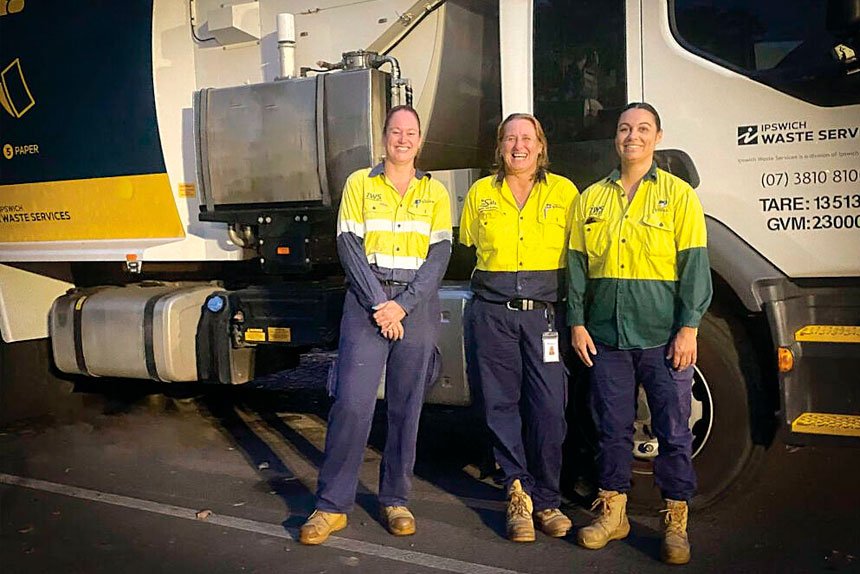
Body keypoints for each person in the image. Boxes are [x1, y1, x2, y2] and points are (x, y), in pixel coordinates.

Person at [299, 105, 452, 545]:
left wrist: (401, 306)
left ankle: (395, 499)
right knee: (351, 403)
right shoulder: (359, 184)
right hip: (368, 302)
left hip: (414, 307)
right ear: (383, 137)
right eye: (395, 132)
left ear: (420, 141)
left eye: (411, 133)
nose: (403, 140)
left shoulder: (435, 193)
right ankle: (330, 506)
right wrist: (380, 304)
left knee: (406, 406)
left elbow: (438, 256)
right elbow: (348, 244)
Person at [567, 102, 712, 565]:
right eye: (625, 128)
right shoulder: (589, 199)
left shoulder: (680, 196)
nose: (633, 135)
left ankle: (676, 522)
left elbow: (694, 266)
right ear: (615, 137)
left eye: (643, 128)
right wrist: (576, 321)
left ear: (658, 136)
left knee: (673, 430)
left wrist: (689, 327)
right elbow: (575, 268)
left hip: (662, 335)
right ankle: (613, 514)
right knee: (611, 430)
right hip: (607, 336)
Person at [459, 113, 578, 542]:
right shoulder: (480, 194)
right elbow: (469, 244)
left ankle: (548, 500)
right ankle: (518, 495)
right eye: (510, 138)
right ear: (500, 147)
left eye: (527, 138)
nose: (518, 146)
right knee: (499, 406)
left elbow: (578, 257)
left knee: (549, 409)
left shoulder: (565, 192)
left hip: (545, 315)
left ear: (541, 146)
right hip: (493, 312)